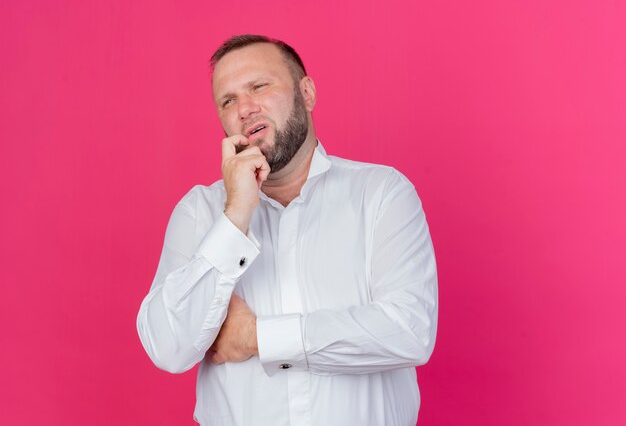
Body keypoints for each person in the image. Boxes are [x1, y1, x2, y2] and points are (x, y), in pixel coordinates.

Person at [137, 34, 438, 426]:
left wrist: (256, 337)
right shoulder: (200, 212)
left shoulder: (381, 194)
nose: (244, 108)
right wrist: (235, 215)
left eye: (259, 86)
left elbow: (407, 330)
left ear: (306, 93)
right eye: (227, 101)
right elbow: (168, 346)